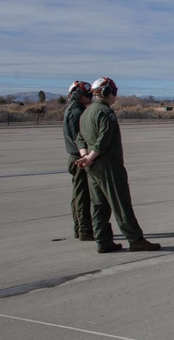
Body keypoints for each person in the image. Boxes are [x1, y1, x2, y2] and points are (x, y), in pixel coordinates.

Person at [75, 77, 161, 253]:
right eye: (114, 92)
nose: (115, 95)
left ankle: (103, 241)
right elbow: (104, 139)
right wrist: (91, 157)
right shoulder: (105, 112)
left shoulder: (86, 112)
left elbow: (80, 138)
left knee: (99, 205)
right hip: (108, 165)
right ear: (106, 92)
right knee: (121, 203)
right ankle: (135, 240)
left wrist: (85, 157)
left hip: (92, 167)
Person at [63, 81, 95, 241]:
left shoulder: (74, 110)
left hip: (75, 157)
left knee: (78, 194)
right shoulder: (76, 113)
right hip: (79, 158)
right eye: (86, 94)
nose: (90, 97)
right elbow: (80, 138)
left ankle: (80, 228)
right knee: (82, 195)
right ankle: (84, 230)